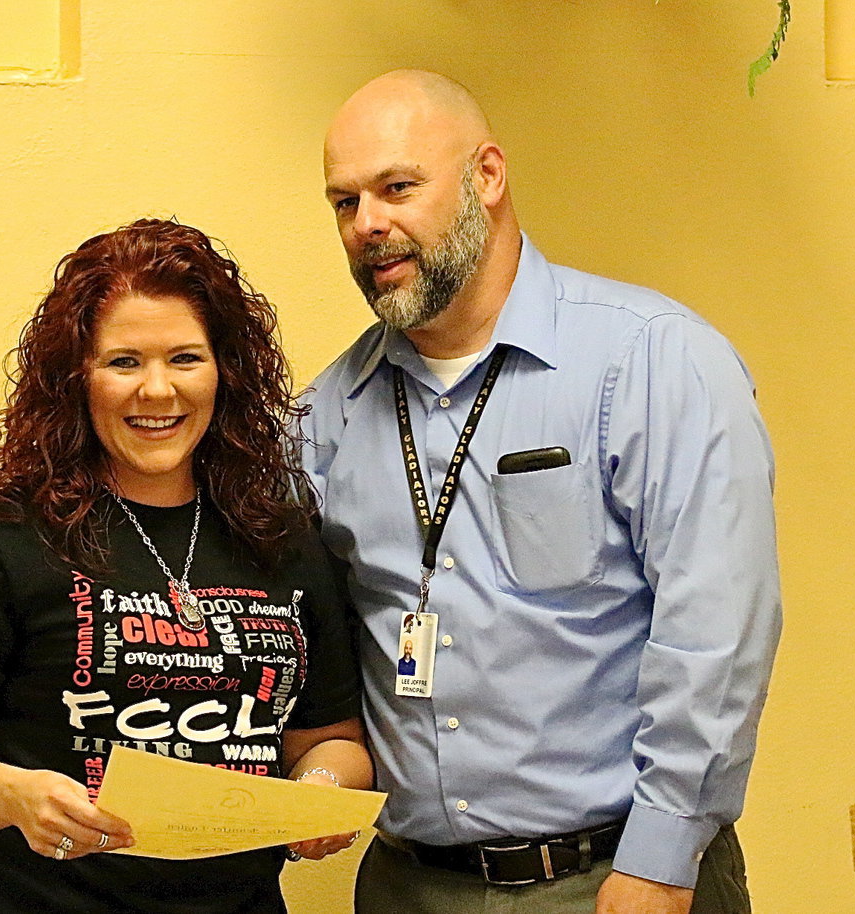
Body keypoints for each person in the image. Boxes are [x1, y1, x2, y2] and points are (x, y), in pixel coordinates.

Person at [301, 70, 782, 914]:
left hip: (611, 878)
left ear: (487, 176)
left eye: (397, 187)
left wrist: (663, 859)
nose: (368, 224)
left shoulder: (652, 361)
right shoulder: (327, 412)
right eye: (345, 202)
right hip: (406, 886)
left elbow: (717, 629)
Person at [0, 218, 371, 914]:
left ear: (226, 371)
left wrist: (319, 796)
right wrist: (15, 794)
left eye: (185, 358)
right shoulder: (3, 535)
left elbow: (332, 741)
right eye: (124, 362)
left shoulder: (283, 541)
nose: (157, 391)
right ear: (78, 379)